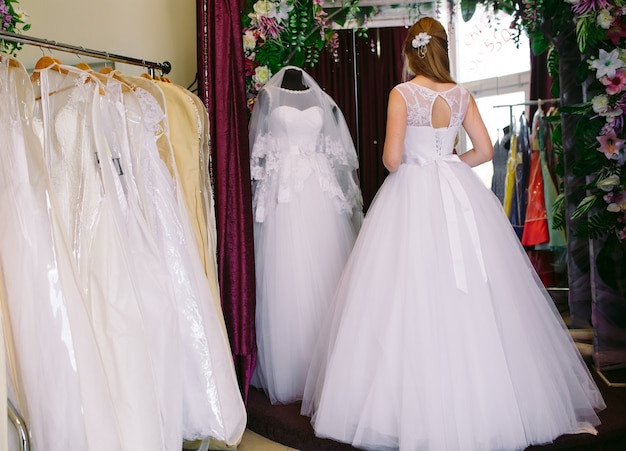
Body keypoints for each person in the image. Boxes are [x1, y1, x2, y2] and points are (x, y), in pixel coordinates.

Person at [300, 16, 606, 451]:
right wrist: (449, 167)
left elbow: (390, 159)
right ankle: (488, 401)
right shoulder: (462, 94)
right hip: (458, 193)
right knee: (474, 293)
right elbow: (484, 150)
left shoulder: (402, 93)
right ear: (443, 49)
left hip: (411, 193)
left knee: (407, 292)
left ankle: (407, 408)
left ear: (410, 52)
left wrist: (420, 165)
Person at [249, 66, 363, 404]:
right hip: (284, 189)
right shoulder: (267, 97)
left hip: (316, 187)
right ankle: (293, 366)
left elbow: (335, 151)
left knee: (327, 270)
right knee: (288, 275)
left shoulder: (323, 101)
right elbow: (259, 152)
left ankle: (330, 364)